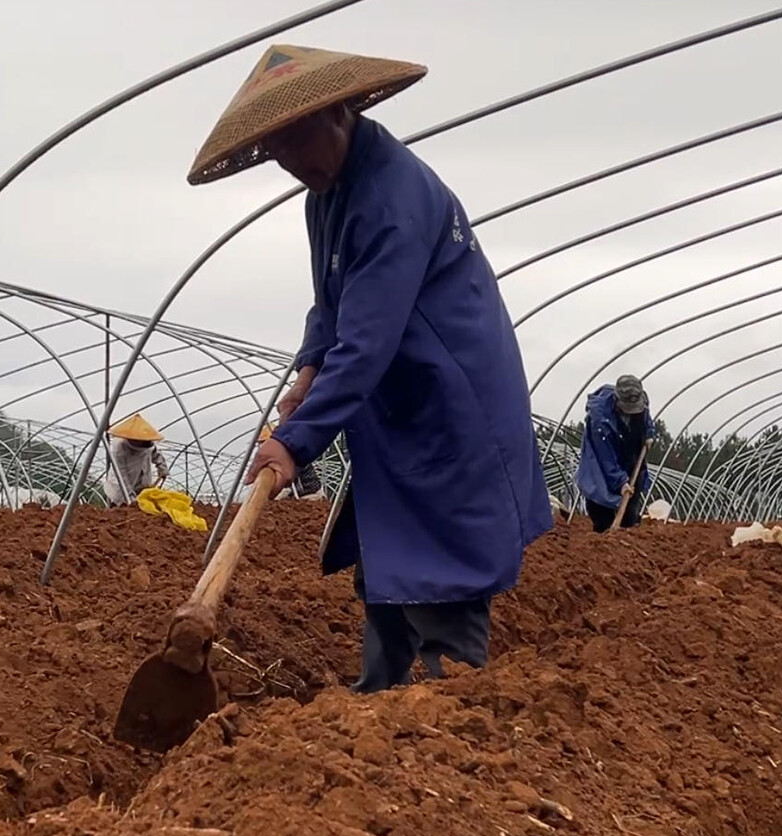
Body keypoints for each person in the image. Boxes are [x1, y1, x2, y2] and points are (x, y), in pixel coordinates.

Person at [189, 44, 554, 692]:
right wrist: (308, 367)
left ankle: (453, 713)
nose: (294, 164)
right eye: (278, 151)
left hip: (451, 405)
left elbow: (366, 341)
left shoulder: (392, 195)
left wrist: (293, 444)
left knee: (446, 566)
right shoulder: (325, 196)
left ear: (340, 113)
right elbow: (333, 306)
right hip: (401, 405)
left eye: (298, 140)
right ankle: (376, 699)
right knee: (391, 557)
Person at [575, 374, 653, 532]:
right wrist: (620, 481)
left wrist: (649, 434)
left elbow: (647, 419)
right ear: (617, 400)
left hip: (629, 455)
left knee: (630, 512)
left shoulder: (640, 402)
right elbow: (605, 457)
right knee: (600, 510)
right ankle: (603, 539)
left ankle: (627, 535)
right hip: (600, 463)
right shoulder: (600, 419)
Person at [104, 413, 169, 504]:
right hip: (120, 487)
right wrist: (129, 497)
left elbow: (156, 455)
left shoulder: (147, 444)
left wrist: (162, 468)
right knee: (123, 510)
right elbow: (122, 475)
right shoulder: (119, 448)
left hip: (141, 483)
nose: (140, 442)